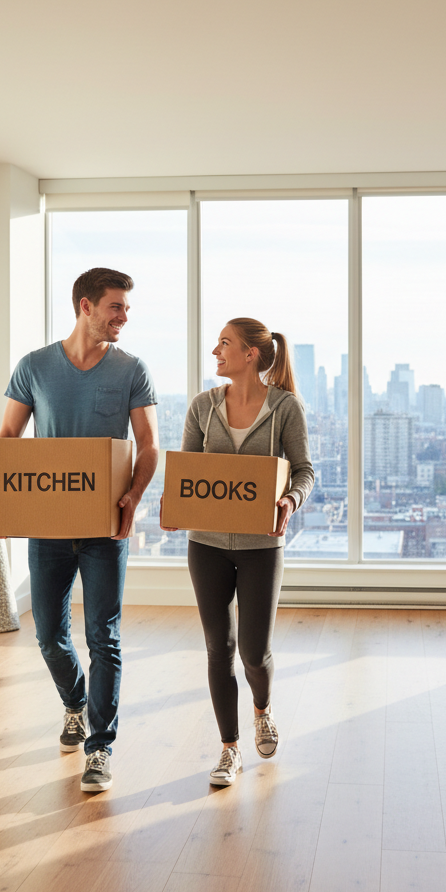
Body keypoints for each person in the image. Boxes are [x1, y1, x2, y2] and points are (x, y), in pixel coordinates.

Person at [0, 267, 159, 793]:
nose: (124, 317)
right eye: (116, 307)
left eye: (126, 309)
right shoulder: (34, 367)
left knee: (103, 637)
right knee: (48, 635)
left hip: (105, 526)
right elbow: (8, 436)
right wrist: (18, 497)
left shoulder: (131, 370)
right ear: (85, 307)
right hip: (48, 525)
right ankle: (74, 703)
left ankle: (101, 746)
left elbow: (149, 444)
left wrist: (133, 497)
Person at [165, 318, 313, 786]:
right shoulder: (202, 407)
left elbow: (305, 470)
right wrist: (173, 502)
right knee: (217, 647)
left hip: (261, 546)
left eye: (225, 343)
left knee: (253, 651)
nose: (215, 351)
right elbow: (188, 470)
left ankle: (262, 710)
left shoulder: (285, 408)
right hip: (206, 543)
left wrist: (291, 498)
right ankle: (229, 749)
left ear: (251, 354)